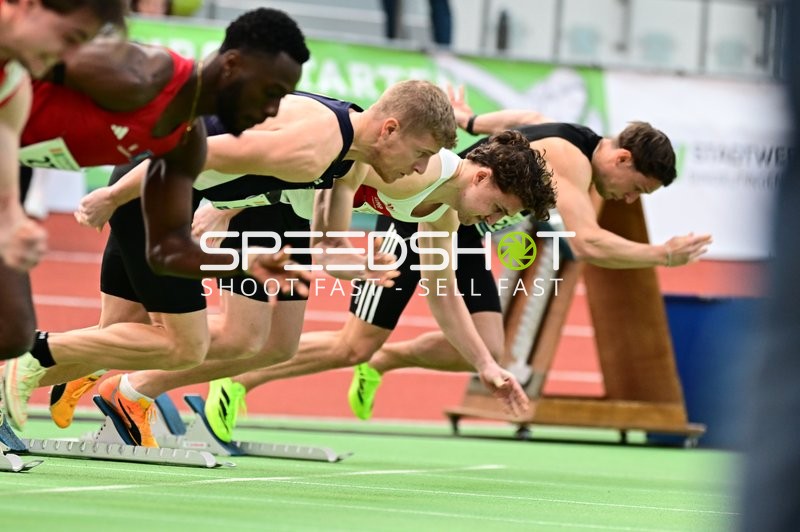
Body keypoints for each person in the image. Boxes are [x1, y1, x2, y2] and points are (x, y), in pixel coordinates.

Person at [198, 87, 713, 430]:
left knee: (488, 348)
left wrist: (467, 117)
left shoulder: (559, 130)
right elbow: (589, 243)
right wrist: (663, 256)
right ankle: (240, 379)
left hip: (468, 221)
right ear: (622, 158)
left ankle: (389, 359)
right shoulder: (570, 160)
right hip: (419, 211)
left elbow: (520, 119)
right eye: (635, 188)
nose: (628, 200)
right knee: (351, 343)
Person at [5, 80, 458, 444]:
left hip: (162, 193)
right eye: (420, 155)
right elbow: (193, 150)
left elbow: (325, 244)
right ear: (391, 129)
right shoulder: (316, 146)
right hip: (153, 189)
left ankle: (20, 377)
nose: (419, 170)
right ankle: (34, 352)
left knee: (117, 338)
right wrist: (114, 195)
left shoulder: (344, 160)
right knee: (185, 345)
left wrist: (360, 264)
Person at [0, 7, 311, 431]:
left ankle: (29, 362)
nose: (273, 110)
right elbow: (35, 48)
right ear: (234, 65)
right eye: (270, 92)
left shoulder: (186, 143)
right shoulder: (139, 77)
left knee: (16, 334)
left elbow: (169, 251)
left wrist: (242, 264)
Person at [0, 0, 127, 359]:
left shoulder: (13, 84)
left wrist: (13, 228)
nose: (70, 57)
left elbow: (5, 205)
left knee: (13, 331)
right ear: (27, 6)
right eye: (70, 37)